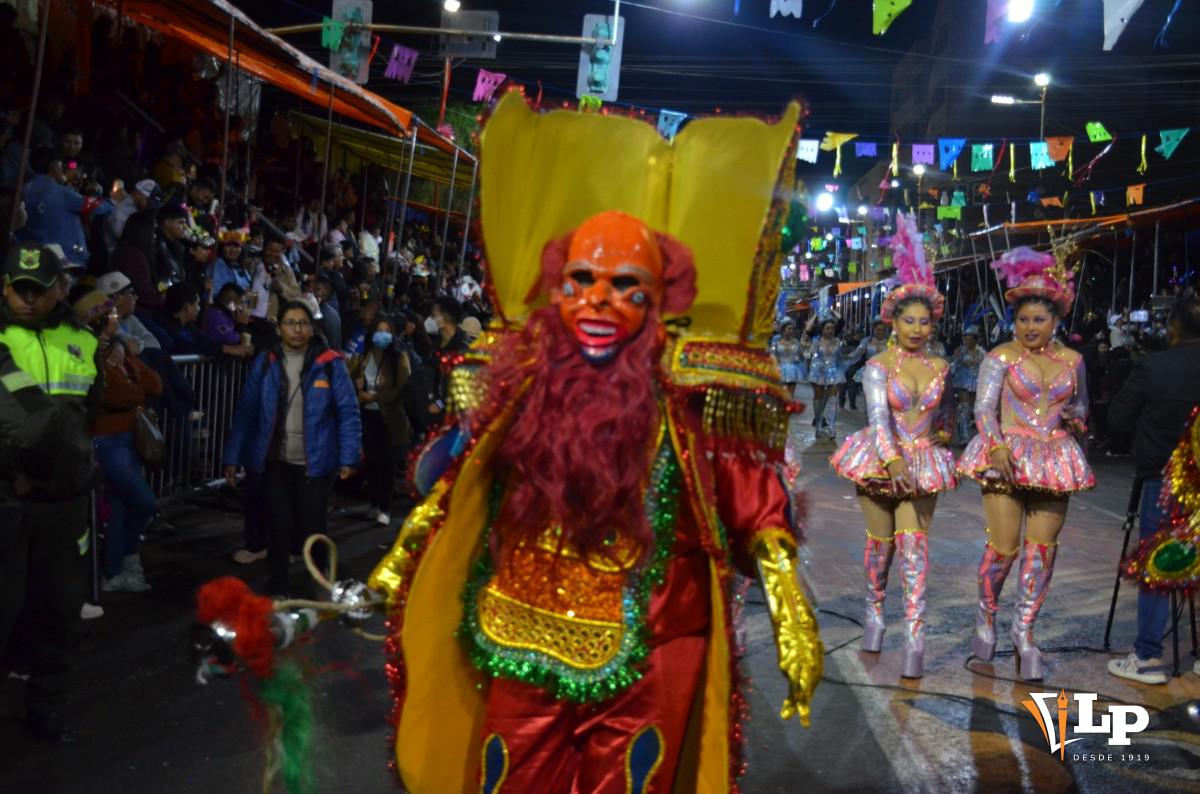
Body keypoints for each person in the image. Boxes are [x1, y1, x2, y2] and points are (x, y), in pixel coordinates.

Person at [957, 247, 1095, 681]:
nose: (1030, 327)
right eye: (1023, 319)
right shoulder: (999, 357)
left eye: (1040, 320)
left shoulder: (1073, 361)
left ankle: (1024, 632)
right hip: (1008, 457)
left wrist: (1077, 419)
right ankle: (986, 616)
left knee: (1042, 553)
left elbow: (1082, 406)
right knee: (1003, 549)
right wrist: (996, 446)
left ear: (1056, 322)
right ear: (1013, 321)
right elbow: (983, 409)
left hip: (1054, 457)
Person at [829, 214, 956, 678]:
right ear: (894, 322)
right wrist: (893, 459)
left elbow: (946, 413)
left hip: (923, 460)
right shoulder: (878, 364)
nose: (918, 329)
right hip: (881, 460)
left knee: (916, 547)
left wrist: (942, 433)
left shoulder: (942, 366)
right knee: (880, 547)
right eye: (909, 321)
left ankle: (916, 636)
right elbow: (879, 419)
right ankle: (875, 614)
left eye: (925, 321)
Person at [0, 243, 102, 743]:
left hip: (62, 503)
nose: (27, 299)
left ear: (57, 290)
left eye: (37, 290)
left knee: (59, 612)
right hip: (8, 500)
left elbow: (92, 415)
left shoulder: (82, 341)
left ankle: (46, 708)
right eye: (18, 289)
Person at [222, 300, 361, 596]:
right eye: (290, 323)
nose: (297, 329)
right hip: (276, 461)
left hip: (317, 463)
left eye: (303, 323)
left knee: (313, 525)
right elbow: (247, 412)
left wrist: (349, 456)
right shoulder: (266, 361)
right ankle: (279, 586)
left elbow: (348, 412)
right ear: (279, 327)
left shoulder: (330, 363)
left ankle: (317, 574)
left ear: (312, 328)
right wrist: (232, 457)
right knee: (279, 526)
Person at [1106, 296, 1200, 684]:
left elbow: (1117, 419)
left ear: (1173, 329)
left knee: (1159, 562)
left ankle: (1147, 657)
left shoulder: (1153, 366)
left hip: (1162, 480)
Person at [73, 291, 162, 592]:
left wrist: (127, 352)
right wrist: (132, 383)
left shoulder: (119, 351)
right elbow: (121, 395)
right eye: (112, 317)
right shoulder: (93, 357)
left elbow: (155, 383)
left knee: (122, 505)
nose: (118, 320)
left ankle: (114, 571)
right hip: (108, 440)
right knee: (144, 502)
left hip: (127, 438)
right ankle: (128, 555)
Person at [348, 315, 411, 526]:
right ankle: (374, 504)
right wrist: (357, 386)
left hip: (391, 419)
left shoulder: (399, 358)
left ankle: (385, 507)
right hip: (368, 415)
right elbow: (348, 377)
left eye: (387, 330)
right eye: (379, 329)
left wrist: (374, 397)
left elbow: (402, 390)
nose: (383, 334)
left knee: (387, 464)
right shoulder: (363, 357)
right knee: (372, 462)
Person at [18, 146, 91, 267]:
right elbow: (98, 207)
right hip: (62, 259)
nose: (63, 169)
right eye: (61, 166)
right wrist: (113, 199)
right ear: (54, 167)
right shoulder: (62, 193)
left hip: (29, 258)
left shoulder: (24, 189)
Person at [804, 311, 853, 440]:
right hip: (818, 372)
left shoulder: (838, 341)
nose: (830, 330)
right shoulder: (816, 340)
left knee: (833, 399)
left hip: (834, 371)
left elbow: (842, 321)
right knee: (818, 399)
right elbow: (808, 329)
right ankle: (819, 424)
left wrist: (833, 312)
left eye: (832, 328)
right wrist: (815, 314)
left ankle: (832, 427)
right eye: (827, 328)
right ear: (822, 329)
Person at [111, 211, 164, 312]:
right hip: (138, 311)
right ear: (143, 232)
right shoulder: (133, 256)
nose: (155, 236)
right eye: (152, 232)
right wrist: (164, 300)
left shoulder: (129, 251)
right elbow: (144, 294)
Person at [950, 326, 985, 444]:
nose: (967, 342)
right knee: (963, 407)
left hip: (976, 383)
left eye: (970, 339)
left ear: (976, 340)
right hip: (962, 382)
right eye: (965, 339)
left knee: (971, 409)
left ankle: (971, 434)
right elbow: (953, 365)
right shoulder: (960, 351)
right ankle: (963, 436)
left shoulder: (982, 352)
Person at [208, 229, 252, 300]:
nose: (233, 250)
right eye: (229, 245)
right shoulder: (215, 266)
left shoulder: (240, 266)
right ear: (222, 247)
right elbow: (216, 295)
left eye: (236, 246)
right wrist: (242, 297)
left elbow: (248, 287)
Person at [770, 318, 805, 393]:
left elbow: (801, 357)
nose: (791, 331)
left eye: (792, 329)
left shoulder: (796, 342)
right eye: (789, 329)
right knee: (780, 394)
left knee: (790, 394)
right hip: (780, 370)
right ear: (783, 330)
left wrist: (800, 354)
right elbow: (772, 357)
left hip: (793, 370)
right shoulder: (776, 343)